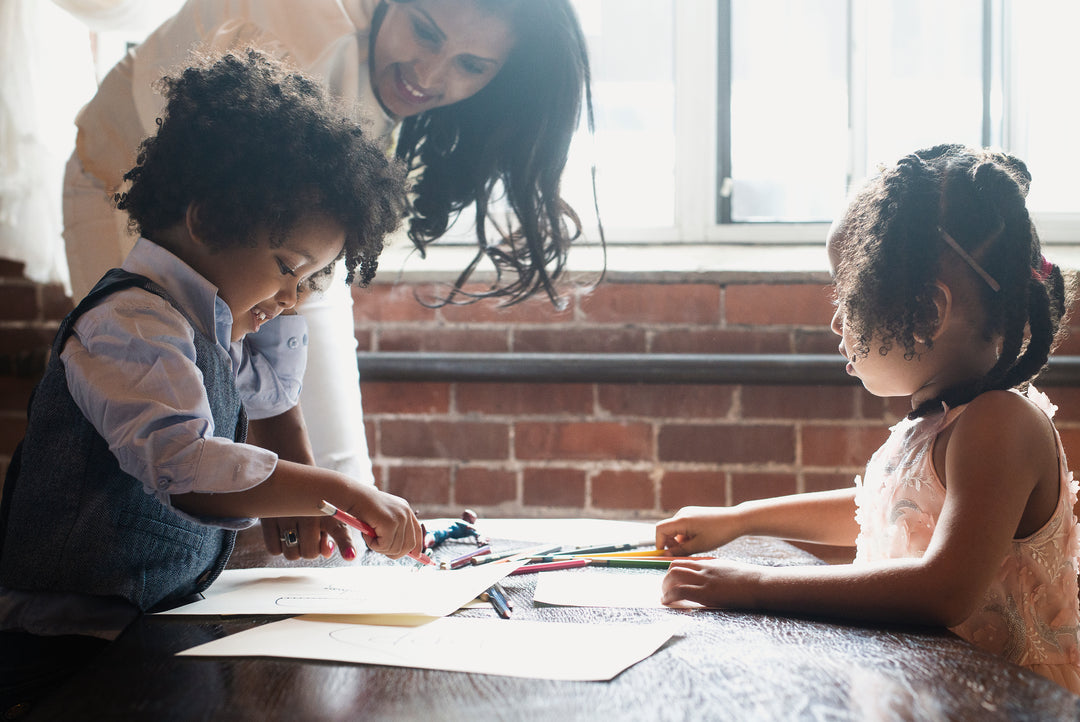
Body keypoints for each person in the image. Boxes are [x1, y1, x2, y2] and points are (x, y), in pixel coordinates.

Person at [0, 48, 421, 714]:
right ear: (208, 220)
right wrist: (341, 490)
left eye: (312, 279)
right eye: (288, 267)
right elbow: (189, 468)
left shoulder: (206, 327)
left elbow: (270, 392)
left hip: (144, 632)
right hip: (61, 653)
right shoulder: (132, 323)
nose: (294, 295)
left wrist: (286, 297)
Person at [61, 0, 597, 521]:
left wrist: (318, 477)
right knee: (175, 460)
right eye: (425, 32)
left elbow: (286, 294)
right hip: (152, 195)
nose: (429, 75)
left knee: (335, 479)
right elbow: (239, 250)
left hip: (286, 243)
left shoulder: (304, 241)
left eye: (472, 65)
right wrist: (296, 459)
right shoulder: (298, 41)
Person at [655, 144, 1080, 693]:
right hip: (930, 689)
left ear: (928, 312)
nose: (838, 321)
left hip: (1012, 703)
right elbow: (887, 512)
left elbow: (944, 588)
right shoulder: (939, 423)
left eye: (850, 294)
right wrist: (739, 519)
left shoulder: (1001, 423)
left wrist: (754, 584)